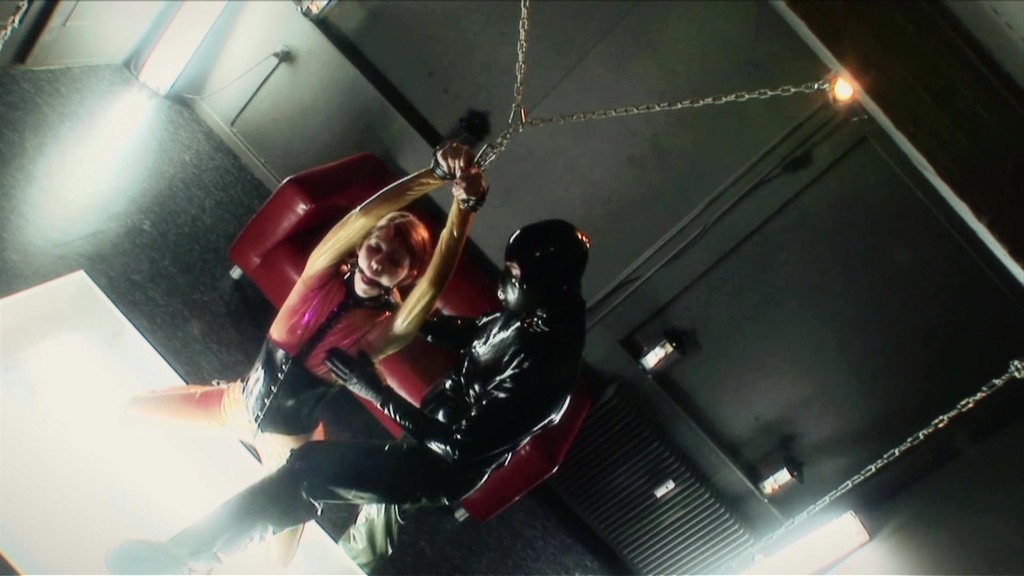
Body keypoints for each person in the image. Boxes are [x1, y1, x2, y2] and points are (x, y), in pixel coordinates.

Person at [106, 219, 591, 575]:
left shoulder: (548, 369)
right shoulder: (528, 312)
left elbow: (460, 446)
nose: (502, 283)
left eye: (513, 275)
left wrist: (374, 391)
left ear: (548, 285)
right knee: (376, 525)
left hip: (438, 465)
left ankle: (182, 558)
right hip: (419, 437)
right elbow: (474, 334)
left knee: (310, 472)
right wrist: (401, 311)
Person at [122, 141, 487, 565]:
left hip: (290, 448)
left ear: (408, 273)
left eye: (395, 260)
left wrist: (465, 207)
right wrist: (433, 175)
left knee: (281, 559)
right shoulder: (319, 273)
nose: (377, 263)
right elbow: (362, 217)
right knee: (134, 408)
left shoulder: (383, 331)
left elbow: (433, 286)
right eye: (375, 247)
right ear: (361, 246)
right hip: (235, 403)